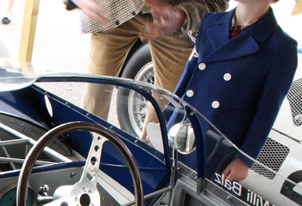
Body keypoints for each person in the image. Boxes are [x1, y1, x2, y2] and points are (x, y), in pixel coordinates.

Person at [173, 0, 298, 181]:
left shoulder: (282, 46)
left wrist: (245, 159)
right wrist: (169, 112)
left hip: (217, 138)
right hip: (182, 122)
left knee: (186, 197)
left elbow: (267, 111)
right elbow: (191, 73)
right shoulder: (211, 20)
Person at [71, 0, 228, 121]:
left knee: (165, 110)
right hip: (112, 10)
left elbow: (218, 3)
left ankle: (150, 161)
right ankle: (85, 158)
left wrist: (185, 16)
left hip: (174, 19)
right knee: (95, 95)